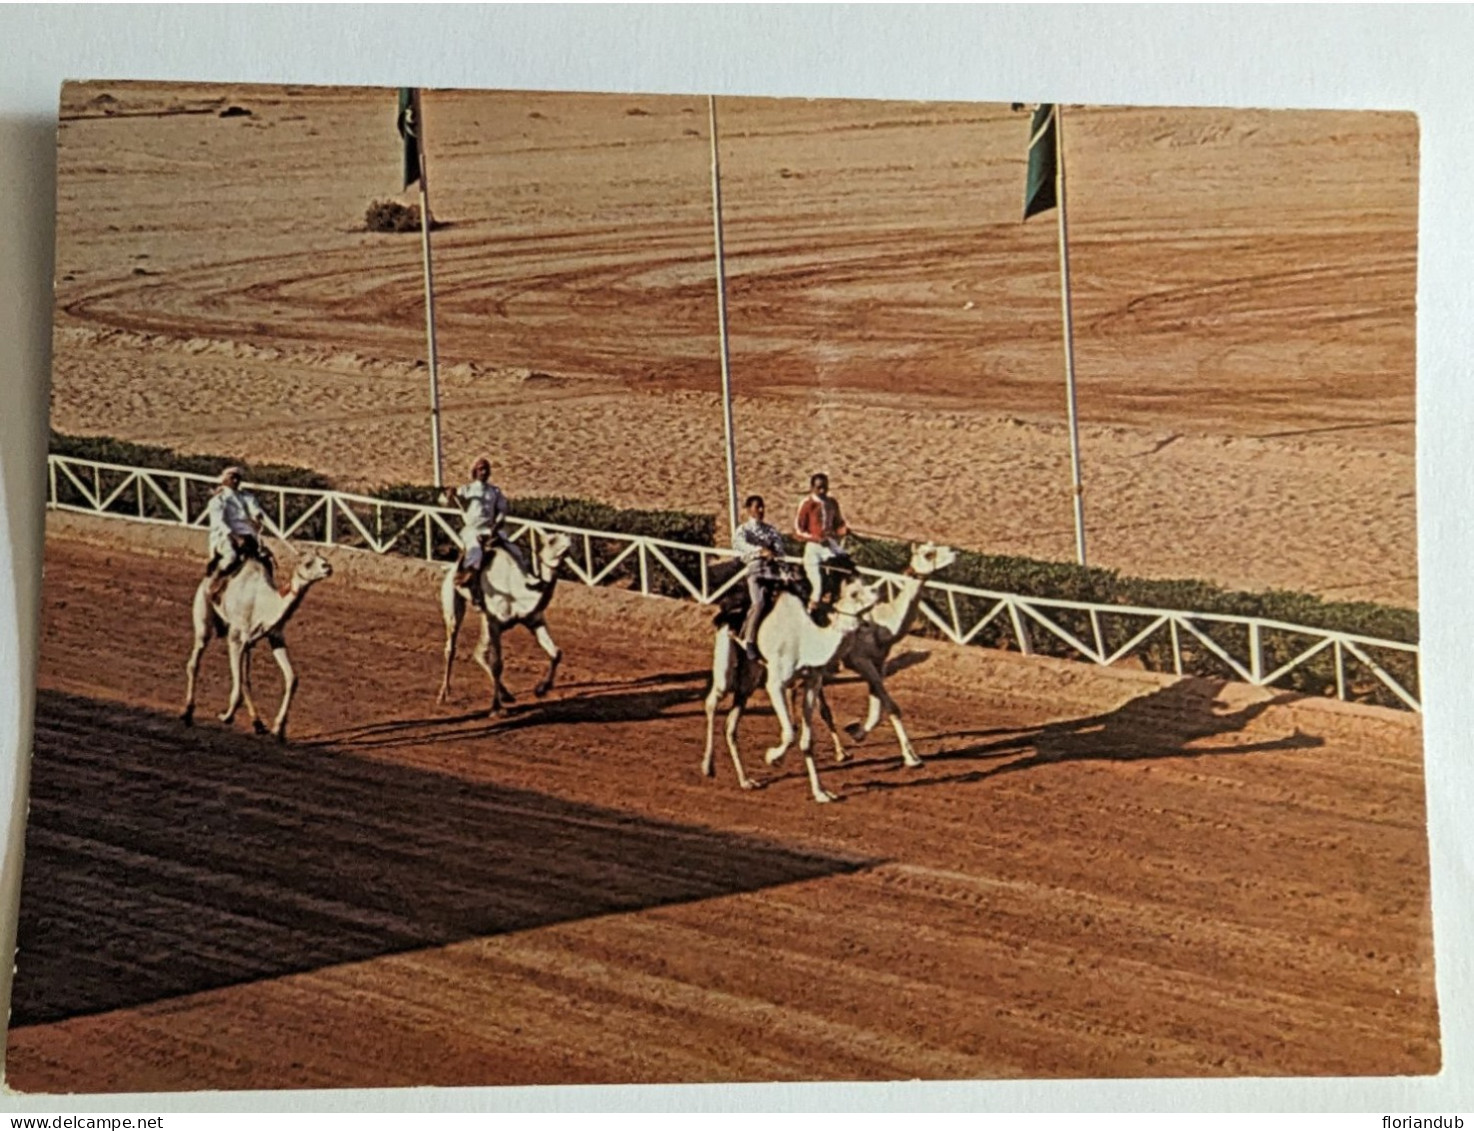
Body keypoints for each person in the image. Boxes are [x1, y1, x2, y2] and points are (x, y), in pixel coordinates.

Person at [445, 457, 532, 602]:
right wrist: (449, 494)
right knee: (475, 553)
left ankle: (525, 585)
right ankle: (473, 586)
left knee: (515, 551)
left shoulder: (495, 491)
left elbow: (503, 510)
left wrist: (496, 526)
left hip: (491, 529)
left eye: (486, 469)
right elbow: (445, 502)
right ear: (475, 472)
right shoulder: (466, 490)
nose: (484, 472)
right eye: (480, 469)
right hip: (472, 531)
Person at [731, 494, 787, 660]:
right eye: (757, 507)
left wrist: (778, 557)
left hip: (773, 572)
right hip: (755, 571)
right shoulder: (743, 530)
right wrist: (760, 551)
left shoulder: (771, 530)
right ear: (749, 510)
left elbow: (780, 550)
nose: (761, 510)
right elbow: (740, 546)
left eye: (762, 507)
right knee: (759, 602)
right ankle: (748, 640)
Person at [205, 466, 273, 601]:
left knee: (265, 561)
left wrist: (257, 516)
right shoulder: (218, 500)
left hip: (248, 535)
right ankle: (215, 580)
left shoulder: (246, 496)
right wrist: (235, 537)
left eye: (238, 478)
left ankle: (267, 590)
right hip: (224, 536)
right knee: (231, 556)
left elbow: (254, 508)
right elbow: (219, 522)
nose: (236, 480)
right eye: (232, 478)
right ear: (224, 480)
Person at [794, 472, 849, 611]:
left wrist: (842, 530)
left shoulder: (832, 503)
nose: (822, 491)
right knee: (817, 587)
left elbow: (838, 524)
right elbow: (798, 531)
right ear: (812, 487)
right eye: (819, 488)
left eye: (825, 487)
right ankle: (810, 612)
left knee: (847, 569)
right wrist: (817, 539)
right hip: (814, 547)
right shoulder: (807, 504)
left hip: (831, 546)